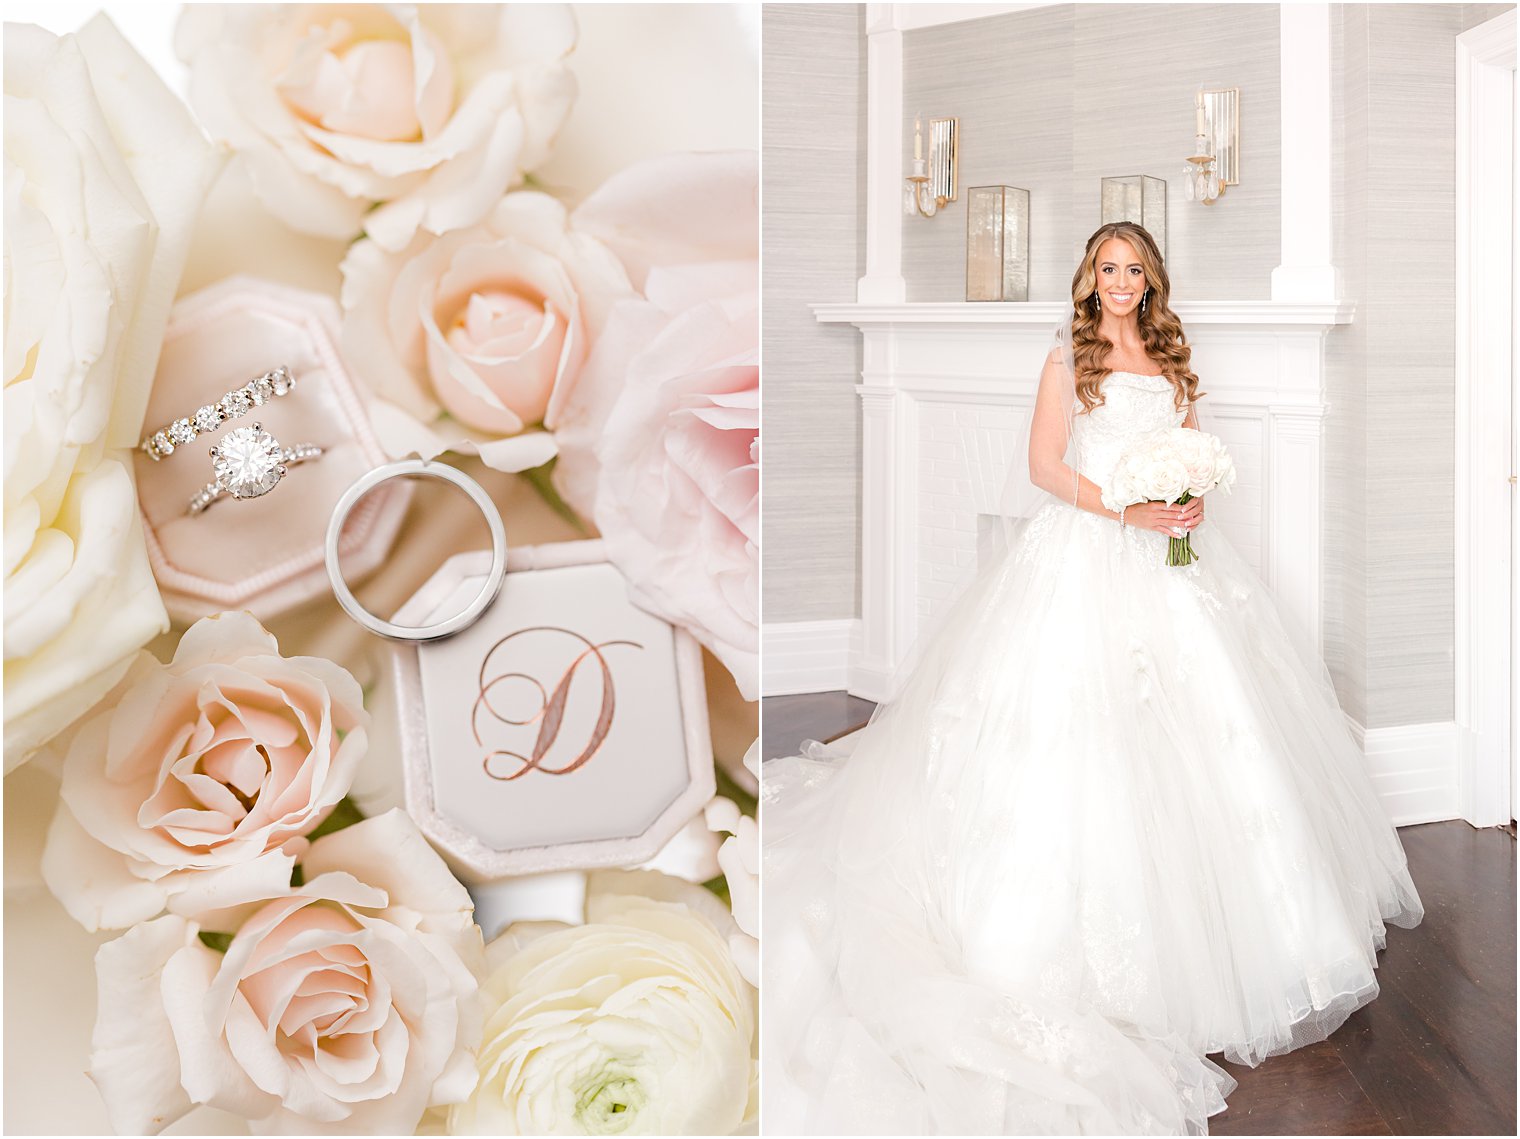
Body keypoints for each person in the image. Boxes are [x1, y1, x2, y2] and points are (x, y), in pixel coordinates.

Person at [761, 222, 1424, 1135]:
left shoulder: (1172, 358)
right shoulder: (1065, 359)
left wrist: (1188, 502)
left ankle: (1248, 938)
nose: (1118, 282)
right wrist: (1129, 508)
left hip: (1176, 560)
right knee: (1075, 736)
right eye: (1105, 269)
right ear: (1089, 280)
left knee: (1216, 729)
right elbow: (1043, 467)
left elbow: (1188, 454)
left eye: (1132, 270)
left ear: (1152, 281)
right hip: (1086, 550)